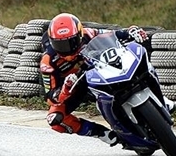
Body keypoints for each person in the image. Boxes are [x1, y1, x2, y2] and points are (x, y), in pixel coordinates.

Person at [39, 12, 158, 147]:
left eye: (70, 42)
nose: (66, 49)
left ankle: (159, 97)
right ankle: (100, 133)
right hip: (74, 86)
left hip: (98, 70)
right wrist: (66, 88)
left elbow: (111, 34)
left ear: (79, 34)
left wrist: (130, 32)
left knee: (140, 59)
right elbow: (50, 97)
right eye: (60, 45)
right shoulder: (48, 61)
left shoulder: (88, 33)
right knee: (55, 119)